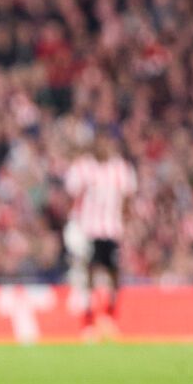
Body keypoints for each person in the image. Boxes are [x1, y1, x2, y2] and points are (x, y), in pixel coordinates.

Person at [66, 131, 137, 338]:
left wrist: (125, 223)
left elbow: (127, 199)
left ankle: (110, 313)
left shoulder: (121, 169)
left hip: (112, 229)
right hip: (89, 228)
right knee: (89, 271)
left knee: (114, 271)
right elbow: (72, 195)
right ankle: (88, 318)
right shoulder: (83, 168)